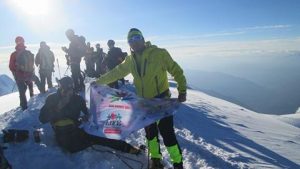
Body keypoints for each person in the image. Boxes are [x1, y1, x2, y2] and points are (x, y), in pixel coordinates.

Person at [95, 28, 187, 169]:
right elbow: (116, 72)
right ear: (129, 44)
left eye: (137, 37)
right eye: (130, 40)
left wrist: (182, 89)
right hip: (144, 103)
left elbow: (176, 70)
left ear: (143, 39)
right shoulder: (130, 60)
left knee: (167, 134)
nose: (134, 42)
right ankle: (156, 160)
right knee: (150, 134)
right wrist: (99, 82)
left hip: (161, 101)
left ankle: (177, 163)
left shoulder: (159, 53)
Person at [39, 76, 141, 154]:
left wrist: (88, 116)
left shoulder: (77, 99)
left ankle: (127, 148)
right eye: (63, 88)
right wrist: (58, 107)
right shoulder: (52, 99)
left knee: (100, 134)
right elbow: (42, 118)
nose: (65, 92)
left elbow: (89, 112)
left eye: (69, 88)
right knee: (75, 146)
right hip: (62, 132)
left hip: (76, 127)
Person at [9, 36, 35, 110]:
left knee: (22, 91)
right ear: (24, 42)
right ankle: (33, 101)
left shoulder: (14, 54)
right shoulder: (29, 53)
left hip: (19, 76)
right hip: (29, 74)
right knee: (30, 87)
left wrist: (16, 73)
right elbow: (32, 63)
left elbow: (11, 66)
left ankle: (24, 107)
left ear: (16, 43)